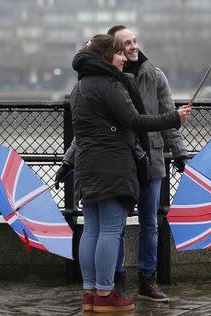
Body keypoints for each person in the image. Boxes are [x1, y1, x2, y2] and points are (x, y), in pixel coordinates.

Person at [56, 26, 189, 302]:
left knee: (136, 225)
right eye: (123, 46)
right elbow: (135, 121)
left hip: (137, 161)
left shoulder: (84, 85)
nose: (131, 48)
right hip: (117, 165)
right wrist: (175, 118)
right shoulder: (110, 84)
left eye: (134, 42)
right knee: (110, 230)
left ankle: (124, 285)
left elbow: (86, 132)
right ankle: (109, 287)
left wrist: (179, 152)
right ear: (109, 53)